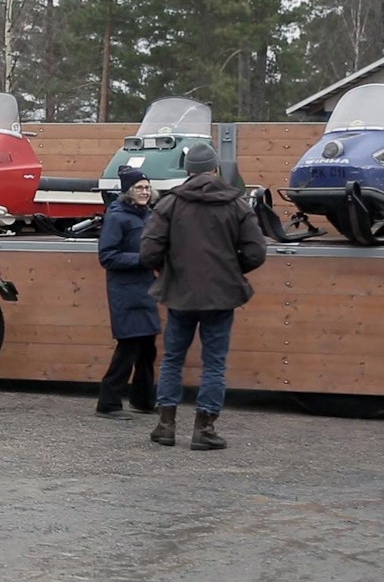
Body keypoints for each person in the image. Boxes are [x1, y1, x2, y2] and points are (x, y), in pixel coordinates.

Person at [139, 143, 267, 450]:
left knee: (172, 360)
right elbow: (256, 252)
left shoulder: (170, 204)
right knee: (214, 363)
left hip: (179, 293)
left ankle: (166, 426)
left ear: (187, 170)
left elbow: (148, 251)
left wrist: (167, 270)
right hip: (221, 295)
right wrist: (232, 270)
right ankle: (204, 429)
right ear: (216, 169)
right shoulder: (236, 204)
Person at [95, 166, 160, 421]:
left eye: (147, 187)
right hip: (125, 291)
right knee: (129, 346)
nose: (145, 191)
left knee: (147, 347)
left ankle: (143, 400)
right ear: (128, 192)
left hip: (145, 288)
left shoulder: (147, 215)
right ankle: (108, 402)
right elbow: (107, 256)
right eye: (139, 188)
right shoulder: (117, 217)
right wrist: (143, 259)